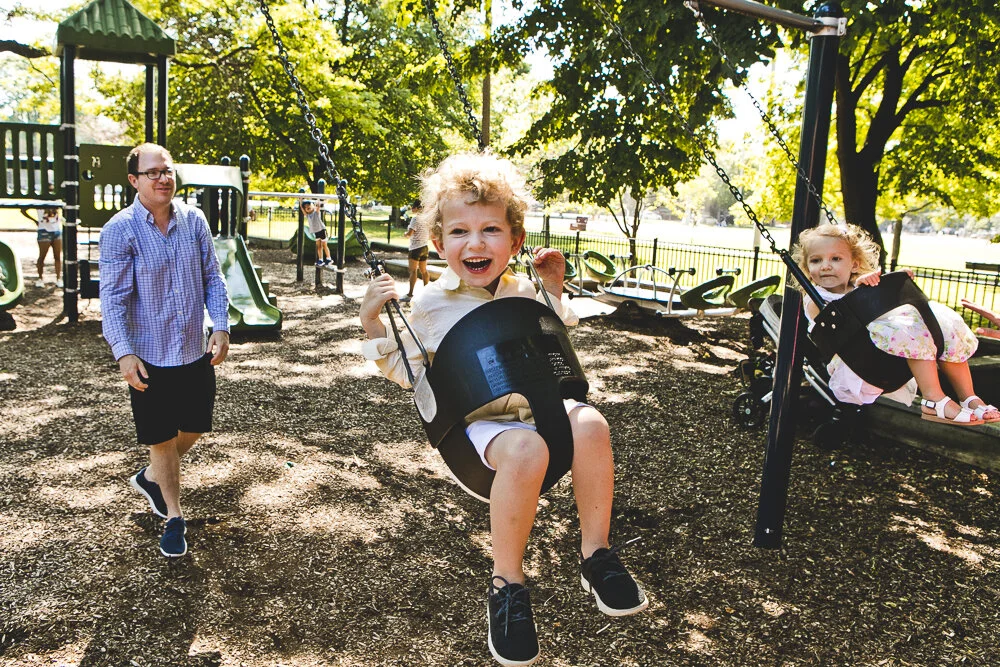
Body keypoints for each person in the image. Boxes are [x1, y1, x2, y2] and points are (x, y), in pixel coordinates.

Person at [360, 152, 647, 666]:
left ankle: (596, 556)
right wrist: (372, 323)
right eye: (459, 232)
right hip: (478, 426)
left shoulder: (525, 289)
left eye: (491, 229)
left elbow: (555, 345)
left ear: (515, 241)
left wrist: (553, 290)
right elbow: (410, 374)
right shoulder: (428, 305)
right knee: (524, 446)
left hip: (539, 408)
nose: (475, 243)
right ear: (437, 242)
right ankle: (507, 585)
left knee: (592, 422)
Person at [100, 143, 231, 558]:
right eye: (153, 172)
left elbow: (213, 277)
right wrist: (124, 352)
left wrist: (222, 325)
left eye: (168, 170)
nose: (163, 178)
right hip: (149, 355)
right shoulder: (120, 230)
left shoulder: (194, 220)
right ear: (134, 181)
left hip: (194, 348)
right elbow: (113, 300)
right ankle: (174, 517)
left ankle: (152, 477)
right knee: (161, 438)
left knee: (192, 429)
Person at [792, 223, 998, 426]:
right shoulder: (814, 298)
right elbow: (841, 316)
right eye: (816, 260)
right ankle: (933, 399)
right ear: (807, 268)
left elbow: (870, 304)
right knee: (910, 328)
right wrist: (864, 290)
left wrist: (889, 286)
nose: (825, 266)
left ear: (854, 264)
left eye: (835, 259)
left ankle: (968, 397)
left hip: (885, 353)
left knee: (942, 321)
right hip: (859, 363)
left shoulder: (856, 286)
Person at [23, 206, 63, 288]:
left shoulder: (55, 200)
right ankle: (40, 279)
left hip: (56, 230)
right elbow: (23, 210)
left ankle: (59, 279)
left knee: (57, 256)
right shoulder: (39, 202)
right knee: (42, 257)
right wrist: (35, 221)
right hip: (44, 231)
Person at [401, 199, 429, 302]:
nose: (412, 208)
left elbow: (409, 234)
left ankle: (410, 294)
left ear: (417, 208)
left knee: (413, 271)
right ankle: (426, 293)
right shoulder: (427, 219)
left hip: (415, 248)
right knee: (424, 270)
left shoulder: (415, 219)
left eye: (413, 207)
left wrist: (405, 234)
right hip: (425, 247)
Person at [301, 199, 332, 267]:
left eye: (309, 206)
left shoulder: (316, 212)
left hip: (322, 230)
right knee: (318, 246)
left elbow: (318, 206)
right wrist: (300, 200)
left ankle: (329, 258)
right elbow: (302, 208)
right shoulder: (307, 215)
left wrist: (318, 201)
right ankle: (320, 259)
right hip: (316, 232)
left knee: (324, 245)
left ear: (313, 206)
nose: (307, 207)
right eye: (306, 207)